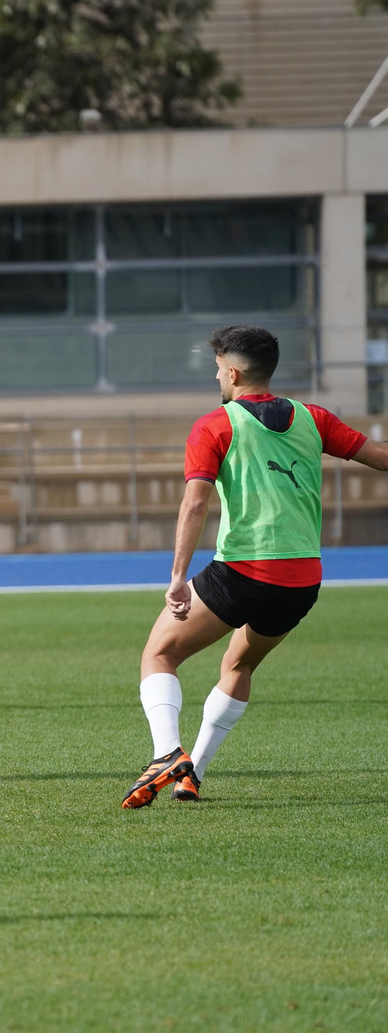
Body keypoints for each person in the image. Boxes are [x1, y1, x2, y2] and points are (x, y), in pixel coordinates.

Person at [122, 325, 388, 809]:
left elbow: (194, 504)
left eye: (218, 368)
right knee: (239, 664)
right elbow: (382, 459)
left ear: (233, 371)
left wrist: (178, 576)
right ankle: (192, 775)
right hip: (303, 579)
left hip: (244, 571)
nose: (216, 377)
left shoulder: (216, 424)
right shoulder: (315, 419)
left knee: (159, 654)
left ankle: (166, 753)